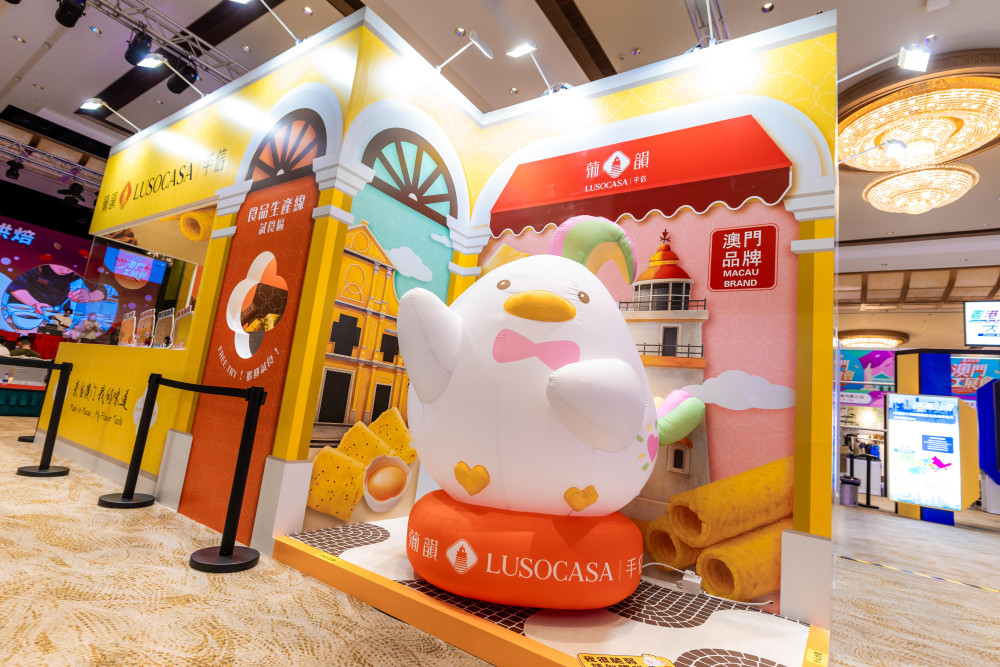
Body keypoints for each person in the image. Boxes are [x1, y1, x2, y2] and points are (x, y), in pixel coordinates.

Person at [7, 264, 104, 315]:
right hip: (24, 307)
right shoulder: (38, 263)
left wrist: (89, 296)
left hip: (58, 310)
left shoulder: (79, 267)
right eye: (62, 265)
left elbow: (102, 290)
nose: (66, 271)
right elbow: (15, 284)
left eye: (71, 268)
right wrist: (34, 304)